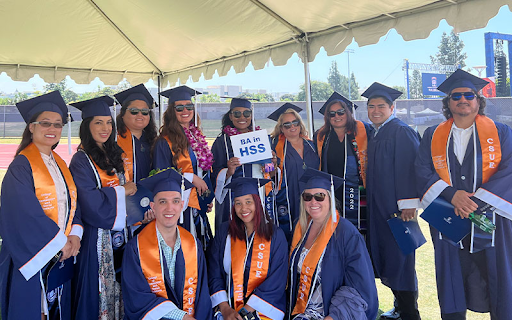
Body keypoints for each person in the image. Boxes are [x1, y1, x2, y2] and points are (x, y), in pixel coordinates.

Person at [415, 69, 512, 319]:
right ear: (448, 103)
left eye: (469, 94)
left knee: (498, 279)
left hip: (492, 220)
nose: (463, 99)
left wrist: (474, 201)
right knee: (451, 280)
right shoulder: (432, 135)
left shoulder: (502, 132)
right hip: (448, 218)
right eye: (455, 96)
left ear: (479, 99)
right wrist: (451, 194)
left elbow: (509, 170)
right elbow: (422, 170)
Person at [0, 91, 82, 319]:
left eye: (57, 124)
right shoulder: (21, 165)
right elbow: (23, 213)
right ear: (31, 127)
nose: (52, 129)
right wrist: (60, 244)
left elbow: (74, 203)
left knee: (56, 308)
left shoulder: (60, 163)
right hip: (31, 253)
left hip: (62, 251)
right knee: (34, 309)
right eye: (45, 123)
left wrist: (75, 235)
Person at [69, 96, 137, 320]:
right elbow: (88, 201)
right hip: (97, 241)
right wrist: (122, 191)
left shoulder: (114, 155)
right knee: (98, 291)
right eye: (98, 122)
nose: (105, 128)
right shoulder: (81, 160)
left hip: (121, 236)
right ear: (87, 126)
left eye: (109, 122)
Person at [362, 83, 421, 320]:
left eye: (381, 106)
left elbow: (410, 168)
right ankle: (399, 307)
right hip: (380, 208)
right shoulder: (377, 132)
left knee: (401, 260)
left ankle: (409, 312)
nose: (376, 110)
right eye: (371, 106)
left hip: (397, 210)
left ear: (392, 107)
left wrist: (409, 203)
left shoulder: (400, 131)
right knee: (390, 258)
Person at [287, 168, 378, 320]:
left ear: (330, 198)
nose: (313, 202)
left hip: (331, 313)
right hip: (298, 310)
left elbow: (359, 283)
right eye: (307, 197)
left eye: (320, 196)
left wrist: (334, 316)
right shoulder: (300, 228)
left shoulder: (346, 233)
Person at [122, 168, 212, 320]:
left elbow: (202, 296)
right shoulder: (135, 248)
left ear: (182, 205)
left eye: (175, 201)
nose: (170, 208)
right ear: (153, 206)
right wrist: (181, 317)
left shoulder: (193, 245)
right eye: (163, 201)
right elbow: (137, 298)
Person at [207, 177, 288, 320]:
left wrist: (244, 313)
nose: (243, 208)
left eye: (248, 202)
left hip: (263, 308)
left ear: (258, 203)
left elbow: (276, 279)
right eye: (238, 203)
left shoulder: (275, 235)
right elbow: (214, 272)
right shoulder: (224, 232)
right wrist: (225, 309)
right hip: (228, 307)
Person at [153, 86, 213, 248]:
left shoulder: (196, 136)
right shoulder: (164, 141)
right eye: (179, 107)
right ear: (172, 111)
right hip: (180, 207)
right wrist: (191, 178)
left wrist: (207, 196)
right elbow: (161, 176)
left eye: (189, 106)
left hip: (198, 205)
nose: (185, 110)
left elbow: (204, 170)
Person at [211, 98, 277, 232]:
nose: (242, 117)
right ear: (230, 116)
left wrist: (272, 165)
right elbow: (213, 173)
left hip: (259, 194)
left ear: (251, 116)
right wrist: (228, 171)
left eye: (246, 113)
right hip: (232, 198)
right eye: (237, 114)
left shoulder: (261, 139)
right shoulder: (221, 142)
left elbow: (270, 172)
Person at [314, 92, 372, 238]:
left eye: (341, 112)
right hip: (332, 192)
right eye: (332, 114)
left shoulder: (365, 131)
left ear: (348, 112)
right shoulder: (321, 136)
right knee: (334, 232)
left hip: (358, 192)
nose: (336, 117)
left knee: (359, 232)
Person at [269, 103, 319, 242]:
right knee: (291, 233)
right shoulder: (274, 146)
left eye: (295, 122)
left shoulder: (311, 145)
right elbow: (269, 174)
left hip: (311, 196)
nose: (292, 126)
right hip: (288, 198)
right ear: (281, 128)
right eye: (287, 124)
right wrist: (271, 167)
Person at [114, 83, 158, 183]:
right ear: (122, 114)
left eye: (145, 111)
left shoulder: (154, 140)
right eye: (134, 111)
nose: (140, 115)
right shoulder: (114, 141)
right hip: (125, 195)